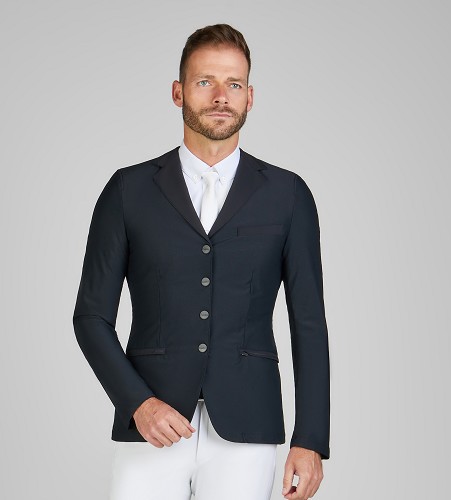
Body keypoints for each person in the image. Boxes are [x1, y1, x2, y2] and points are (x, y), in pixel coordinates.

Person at [73, 23, 330, 500]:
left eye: (234, 84)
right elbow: (90, 317)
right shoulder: (128, 190)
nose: (220, 97)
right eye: (205, 81)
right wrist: (138, 404)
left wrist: (310, 438)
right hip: (152, 425)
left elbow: (309, 323)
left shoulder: (288, 195)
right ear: (178, 92)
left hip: (248, 425)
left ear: (250, 97)